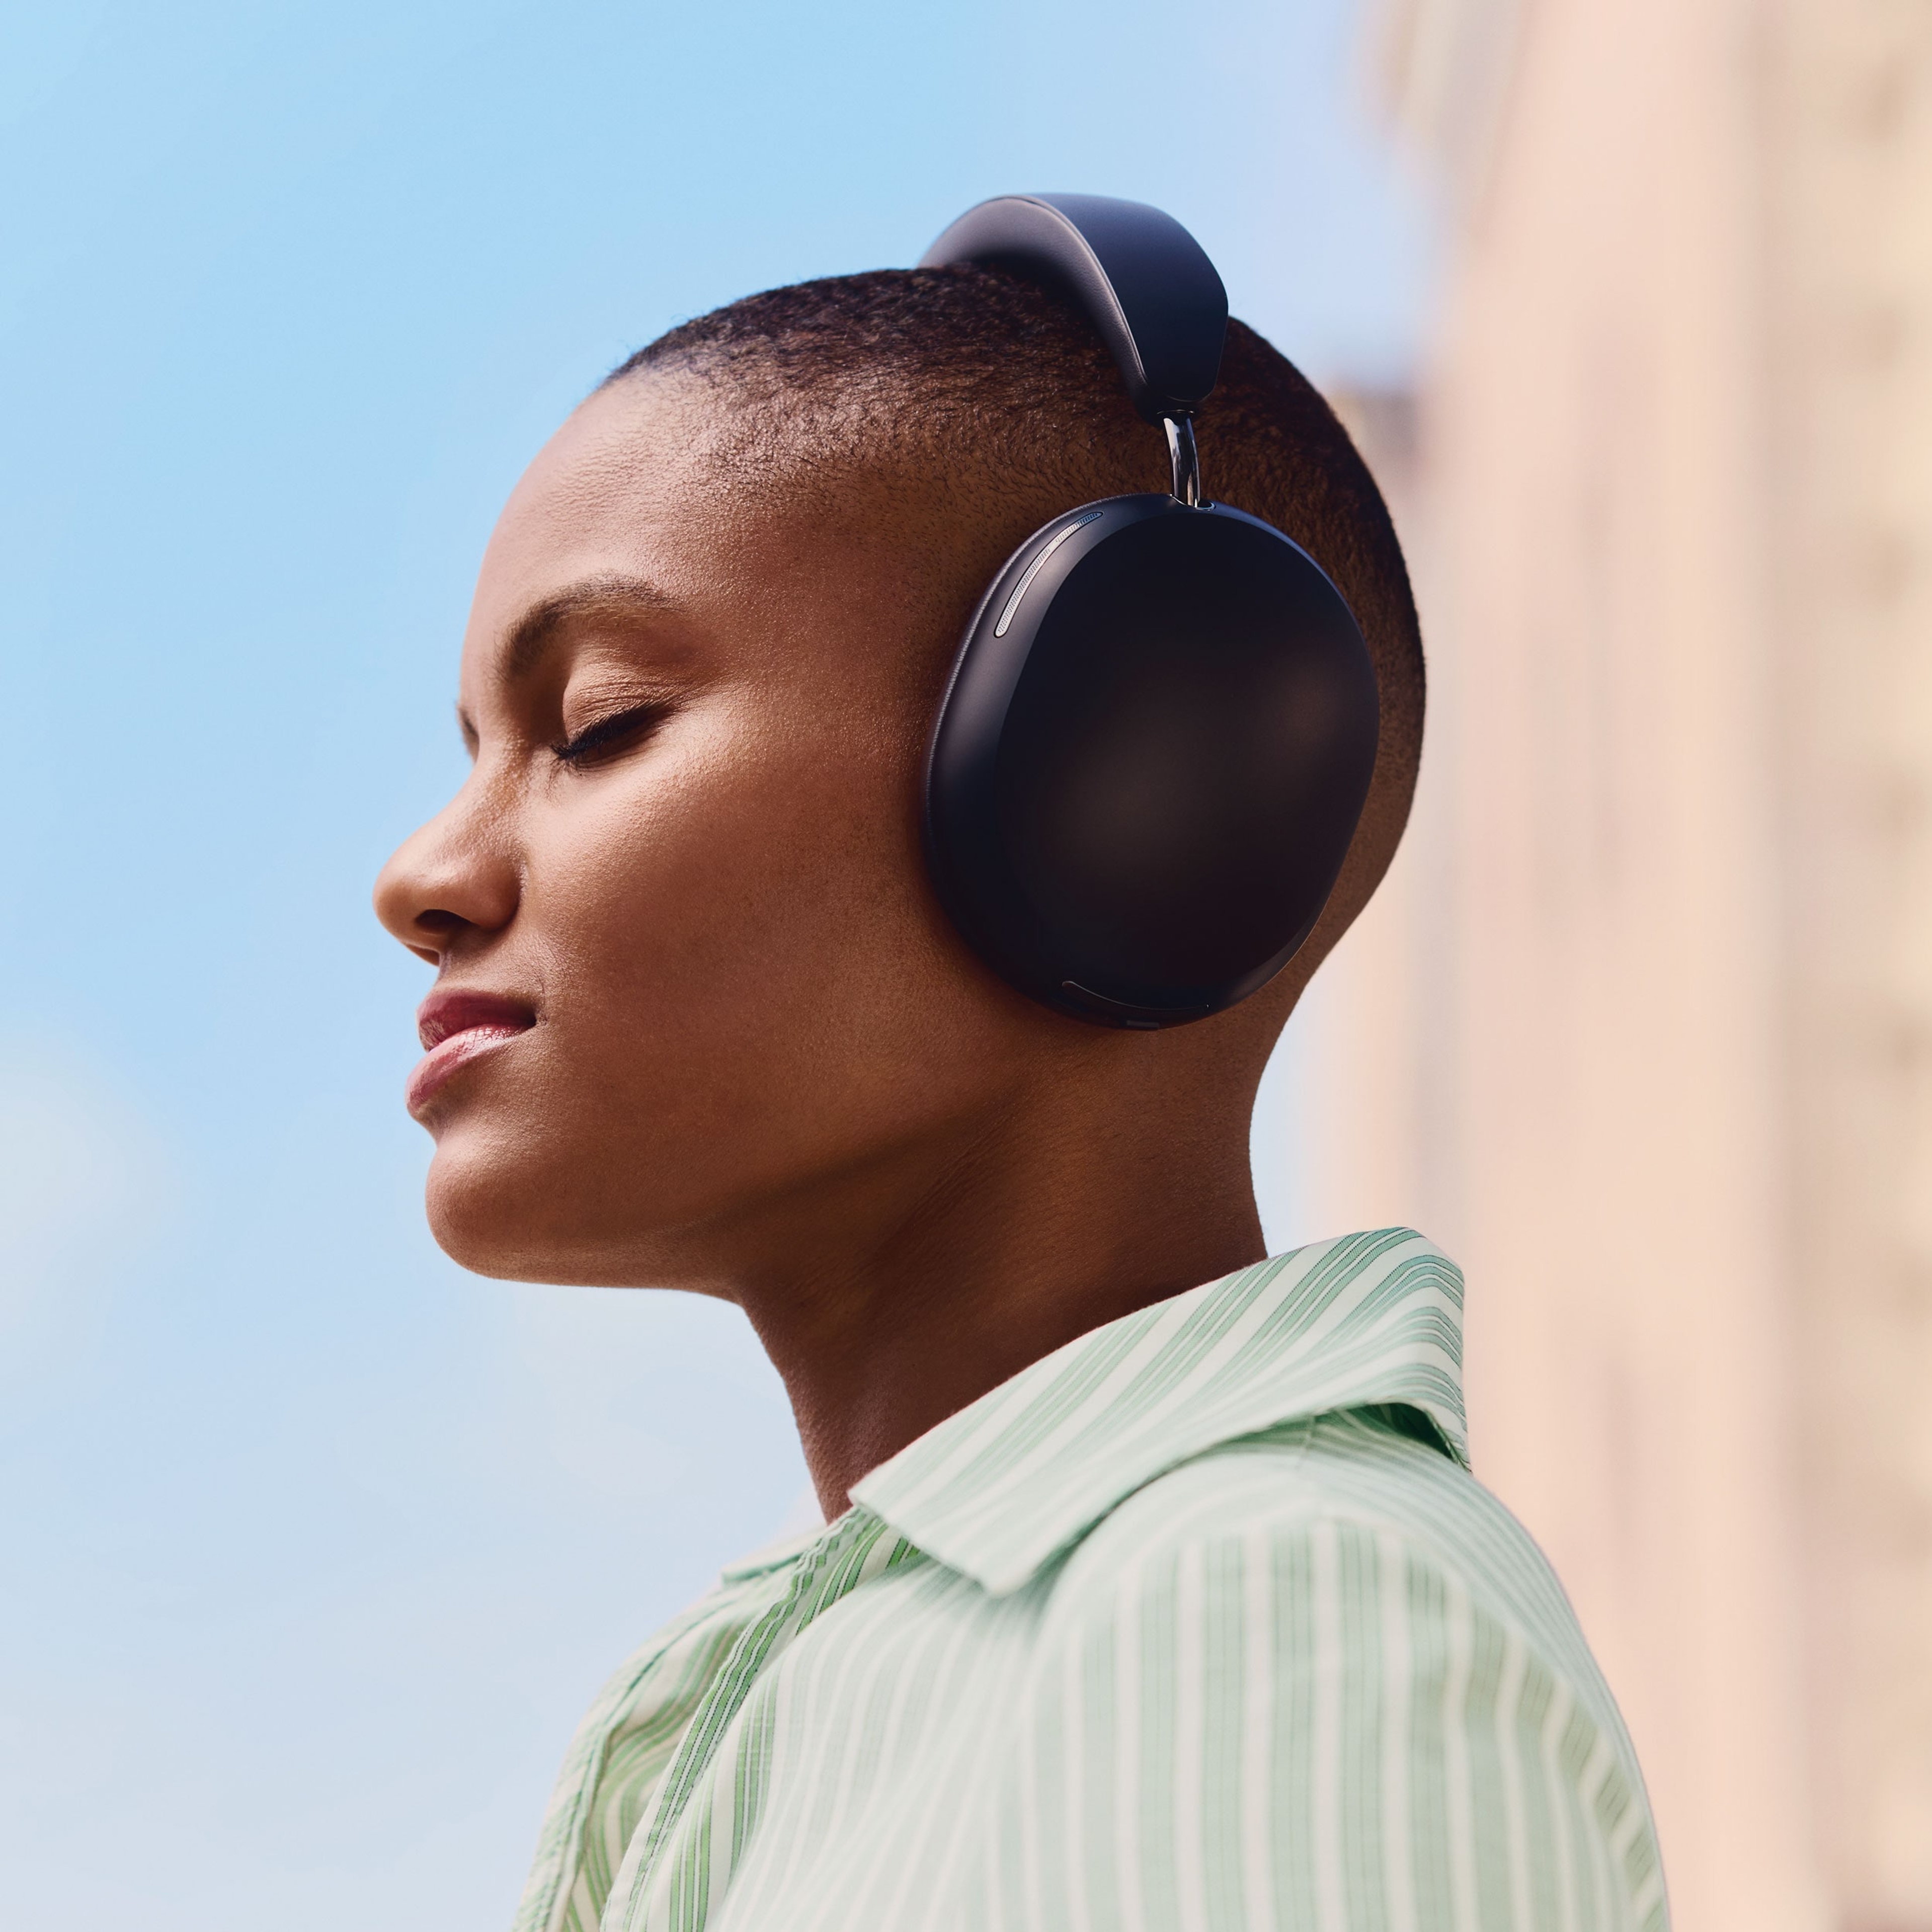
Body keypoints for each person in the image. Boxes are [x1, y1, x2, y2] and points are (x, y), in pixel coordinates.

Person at [374, 236, 1666, 1931]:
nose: (422, 876)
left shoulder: (1260, 1630)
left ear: (1135, 775)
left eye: (599, 723)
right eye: (473, 754)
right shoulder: (878, 1697)